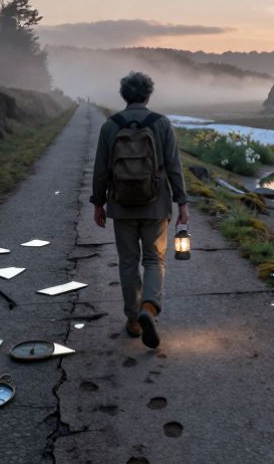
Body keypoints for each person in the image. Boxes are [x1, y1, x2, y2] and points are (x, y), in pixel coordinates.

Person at [90, 71, 188, 349]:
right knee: (154, 260)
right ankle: (150, 307)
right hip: (155, 204)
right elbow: (173, 166)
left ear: (124, 95)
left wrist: (98, 202)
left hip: (121, 205)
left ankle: (133, 320)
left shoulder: (111, 126)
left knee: (128, 262)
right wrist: (182, 202)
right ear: (148, 95)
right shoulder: (161, 124)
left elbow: (101, 169)